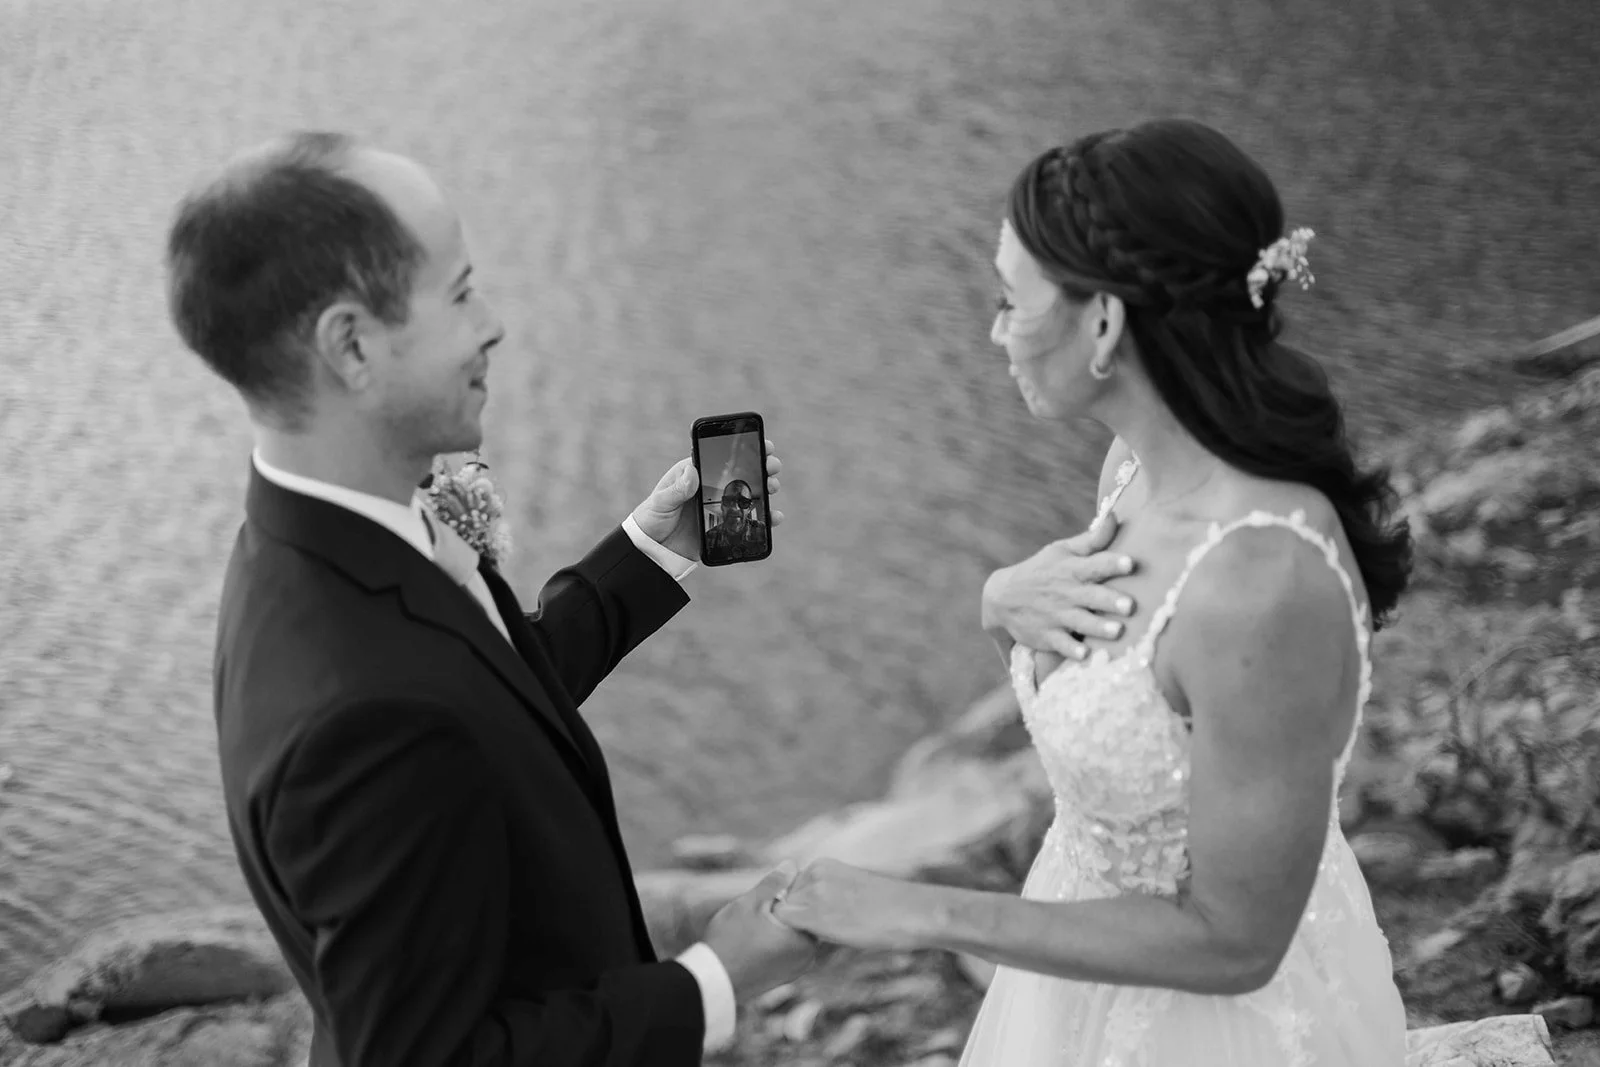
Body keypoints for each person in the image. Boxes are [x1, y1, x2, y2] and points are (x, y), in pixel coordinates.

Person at [165, 131, 822, 1067]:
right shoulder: (361, 714)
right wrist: (715, 978)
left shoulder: (318, 539)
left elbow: (476, 708)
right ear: (351, 344)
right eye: (462, 291)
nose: (494, 322)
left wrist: (647, 555)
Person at [770, 118, 1414, 1066]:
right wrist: (1001, 603)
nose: (995, 333)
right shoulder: (1132, 473)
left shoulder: (1264, 582)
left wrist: (924, 911)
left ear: (1104, 322)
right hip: (1073, 990)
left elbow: (1236, 940)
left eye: (1009, 301)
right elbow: (1127, 710)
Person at [703, 480, 768, 553]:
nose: (735, 508)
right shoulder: (709, 537)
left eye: (743, 502)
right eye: (728, 500)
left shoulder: (763, 530)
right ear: (722, 506)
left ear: (749, 508)